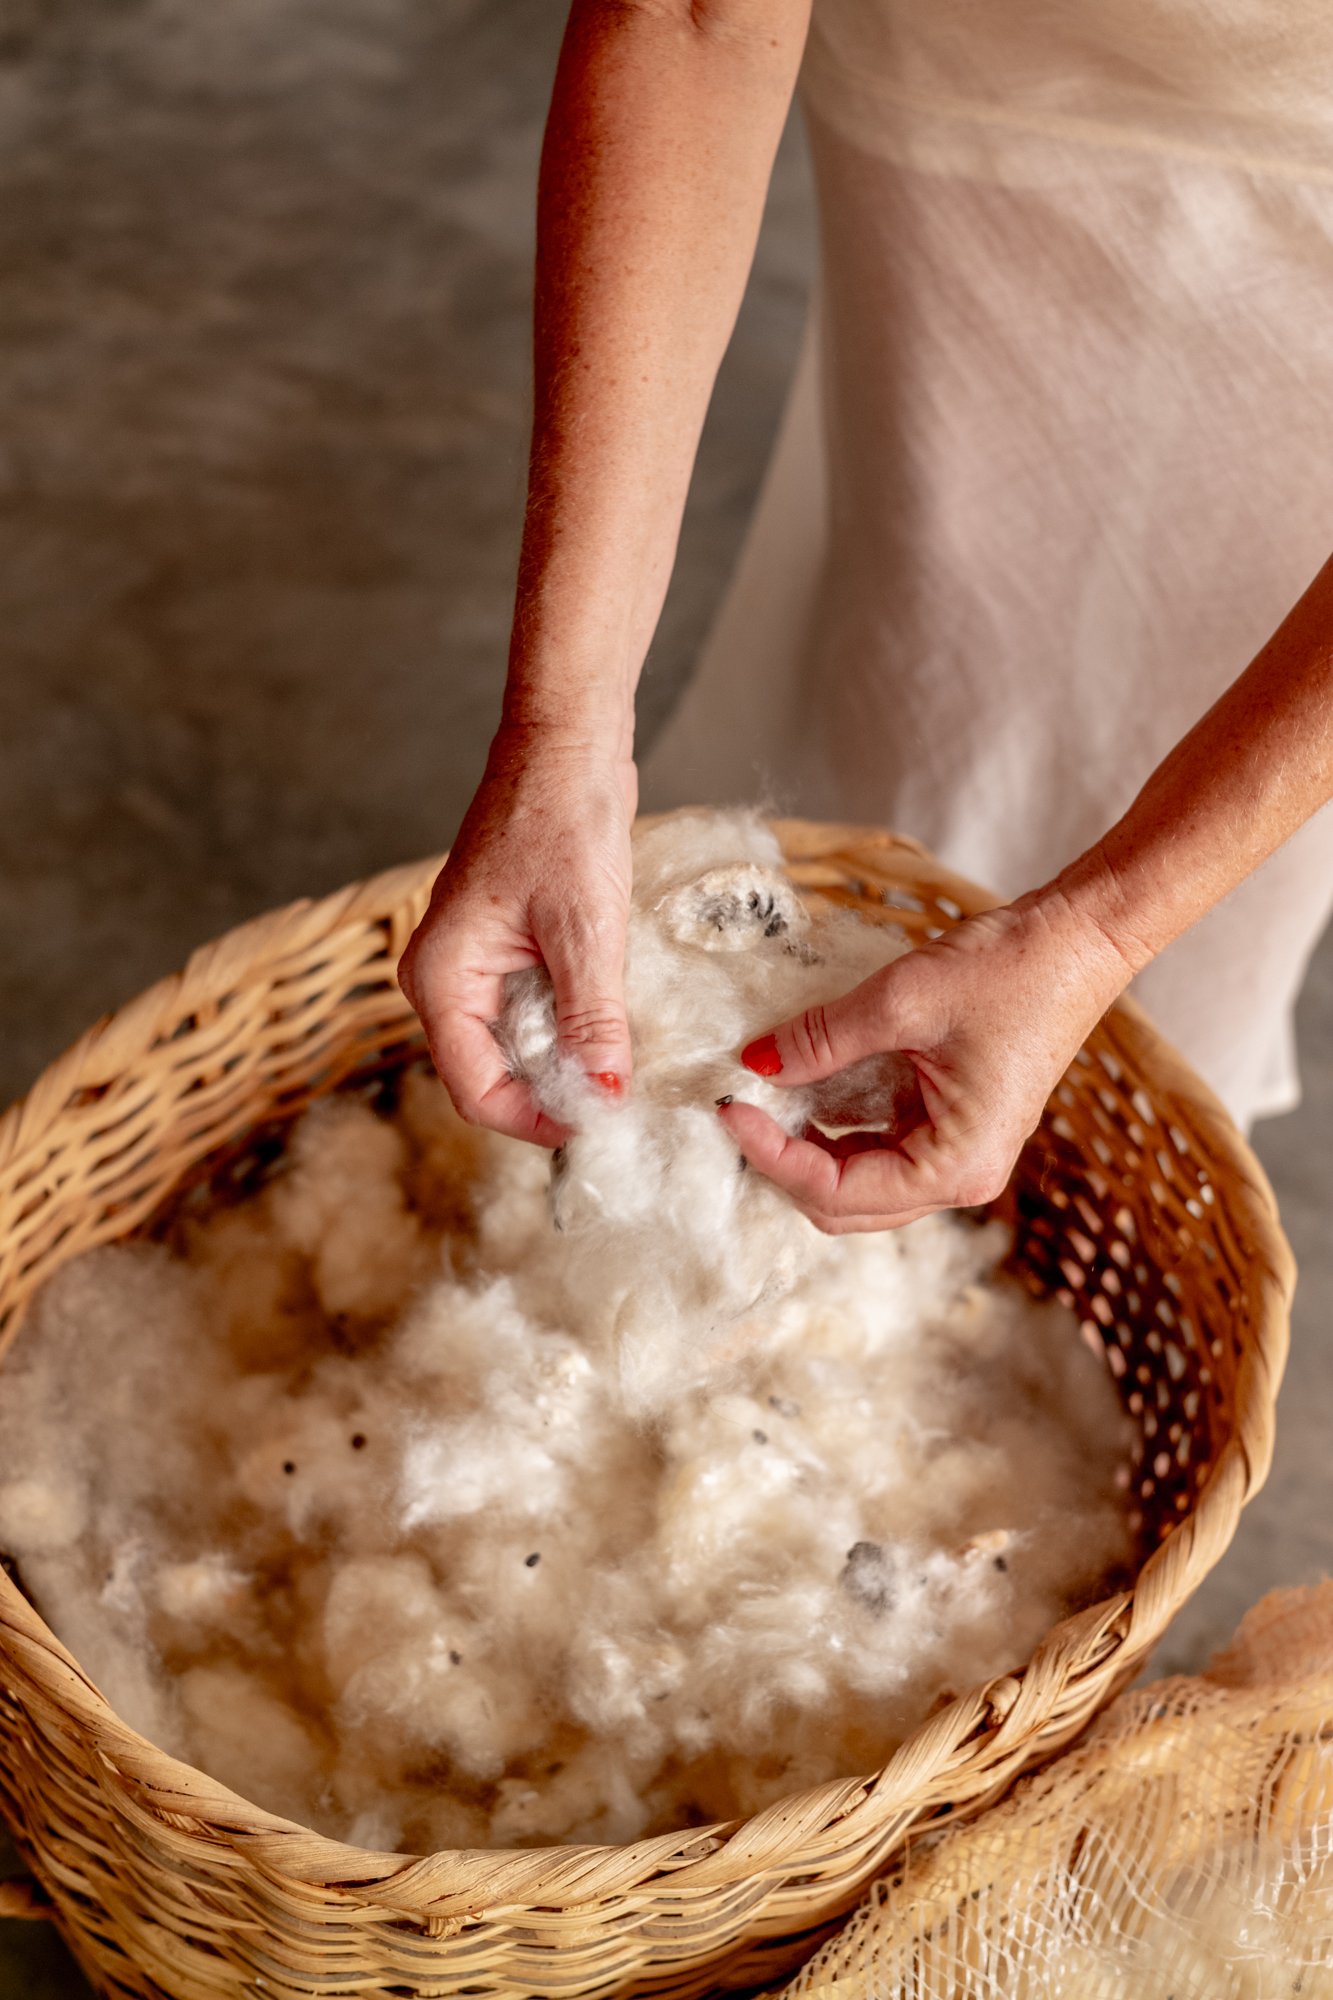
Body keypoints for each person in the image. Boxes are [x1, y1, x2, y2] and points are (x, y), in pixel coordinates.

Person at [399, 0, 1333, 1235]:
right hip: (956, 95)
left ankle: (1092, 1107)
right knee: (924, 608)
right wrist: (560, 726)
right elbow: (693, 18)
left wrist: (1106, 928)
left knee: (1211, 826)